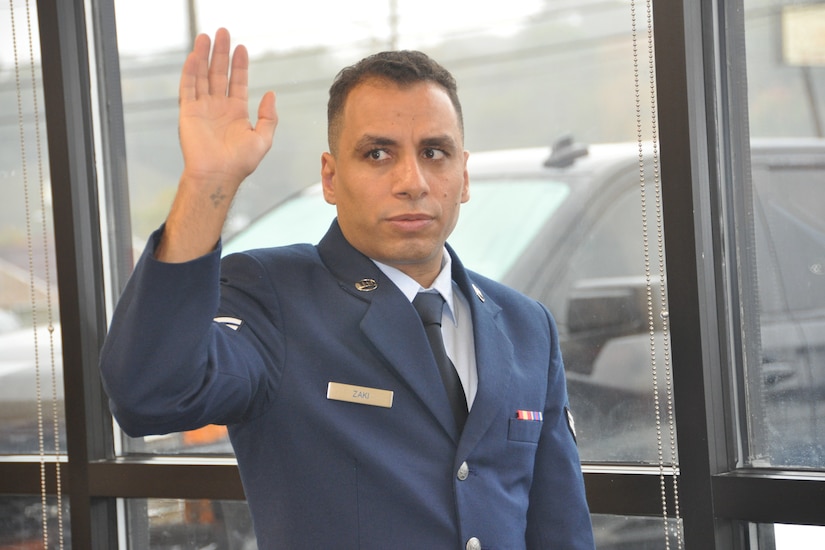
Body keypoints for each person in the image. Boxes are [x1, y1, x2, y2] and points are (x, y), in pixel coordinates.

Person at [100, 28, 595, 549]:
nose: (413, 180)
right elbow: (149, 395)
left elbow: (559, 527)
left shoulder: (525, 325)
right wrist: (206, 185)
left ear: (463, 176)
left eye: (435, 152)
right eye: (378, 154)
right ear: (331, 178)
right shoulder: (275, 298)